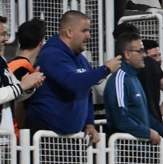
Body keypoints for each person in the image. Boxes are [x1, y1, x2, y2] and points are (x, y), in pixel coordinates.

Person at [26, 11, 120, 143]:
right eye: (84, 31)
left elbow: (87, 92)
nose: (89, 36)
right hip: (47, 135)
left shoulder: (81, 59)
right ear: (69, 32)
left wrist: (89, 124)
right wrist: (105, 69)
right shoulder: (51, 54)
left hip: (71, 136)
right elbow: (72, 83)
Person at [104, 33, 163, 145]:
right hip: (126, 151)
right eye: (140, 51)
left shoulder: (134, 78)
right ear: (127, 54)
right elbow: (121, 120)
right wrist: (147, 132)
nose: (144, 55)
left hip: (140, 151)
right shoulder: (119, 79)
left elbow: (143, 115)